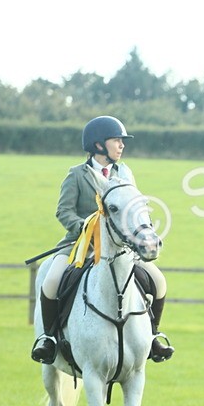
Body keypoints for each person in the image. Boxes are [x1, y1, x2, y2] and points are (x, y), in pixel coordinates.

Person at [30, 116, 174, 364]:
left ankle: (153, 337)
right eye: (116, 140)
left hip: (119, 247)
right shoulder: (76, 175)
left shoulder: (125, 173)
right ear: (98, 145)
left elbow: (135, 208)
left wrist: (142, 232)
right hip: (79, 246)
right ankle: (49, 339)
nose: (121, 145)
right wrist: (88, 230)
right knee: (51, 281)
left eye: (122, 141)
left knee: (159, 282)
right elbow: (64, 211)